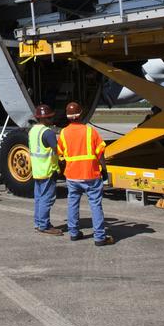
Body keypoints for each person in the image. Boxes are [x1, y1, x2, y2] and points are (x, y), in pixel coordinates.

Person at [57, 101, 114, 245]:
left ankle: (74, 233)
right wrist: (105, 169)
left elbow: (60, 154)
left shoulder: (63, 133)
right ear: (81, 114)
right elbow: (100, 153)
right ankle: (100, 237)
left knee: (73, 203)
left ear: (68, 116)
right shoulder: (90, 132)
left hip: (72, 176)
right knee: (95, 204)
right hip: (91, 174)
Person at [29, 104, 61, 235]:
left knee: (39, 198)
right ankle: (44, 225)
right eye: (50, 117)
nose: (52, 119)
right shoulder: (48, 133)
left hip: (37, 170)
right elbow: (58, 150)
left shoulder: (33, 131)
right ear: (45, 119)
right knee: (47, 199)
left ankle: (39, 222)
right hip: (48, 170)